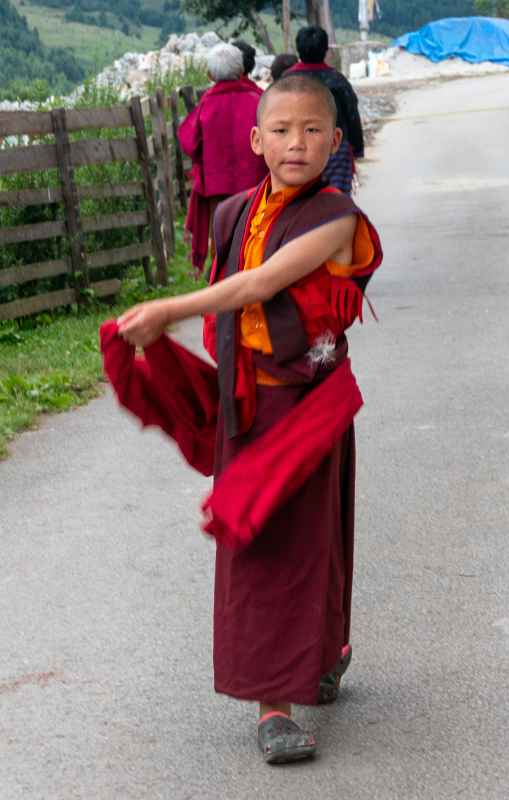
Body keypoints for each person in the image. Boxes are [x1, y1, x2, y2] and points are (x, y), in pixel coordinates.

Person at [105, 75, 382, 764]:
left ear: (335, 141)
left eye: (312, 130)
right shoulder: (233, 214)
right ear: (256, 141)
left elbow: (262, 284)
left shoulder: (336, 218)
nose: (296, 143)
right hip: (248, 405)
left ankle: (307, 670)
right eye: (281, 130)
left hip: (307, 408)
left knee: (311, 542)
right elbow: (231, 317)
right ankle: (277, 696)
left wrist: (169, 308)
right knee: (262, 548)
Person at [178, 43, 268, 272]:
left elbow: (189, 142)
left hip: (217, 190)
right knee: (255, 238)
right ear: (241, 72)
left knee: (222, 242)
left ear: (210, 75)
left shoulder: (207, 105)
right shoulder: (259, 101)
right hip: (256, 185)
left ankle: (223, 292)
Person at [286, 25, 365, 195]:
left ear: (299, 50)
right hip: (335, 150)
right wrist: (357, 148)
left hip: (294, 149)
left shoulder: (285, 82)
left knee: (299, 202)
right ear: (326, 50)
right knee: (337, 203)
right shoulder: (338, 81)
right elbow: (352, 116)